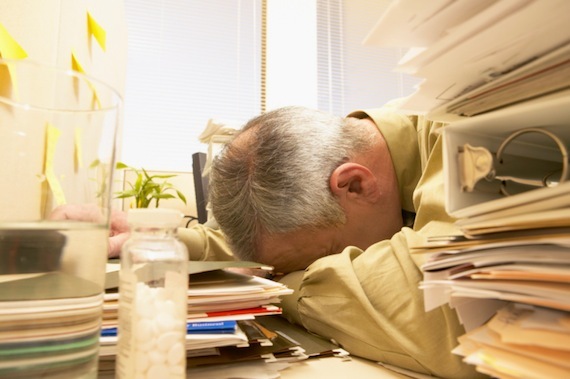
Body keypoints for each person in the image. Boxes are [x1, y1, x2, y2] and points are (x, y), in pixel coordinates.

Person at [52, 99, 483, 378]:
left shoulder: (467, 138)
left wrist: (284, 286)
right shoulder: (358, 176)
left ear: (354, 185)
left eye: (323, 261)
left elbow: (450, 322)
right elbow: (276, 244)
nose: (307, 270)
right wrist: (161, 239)